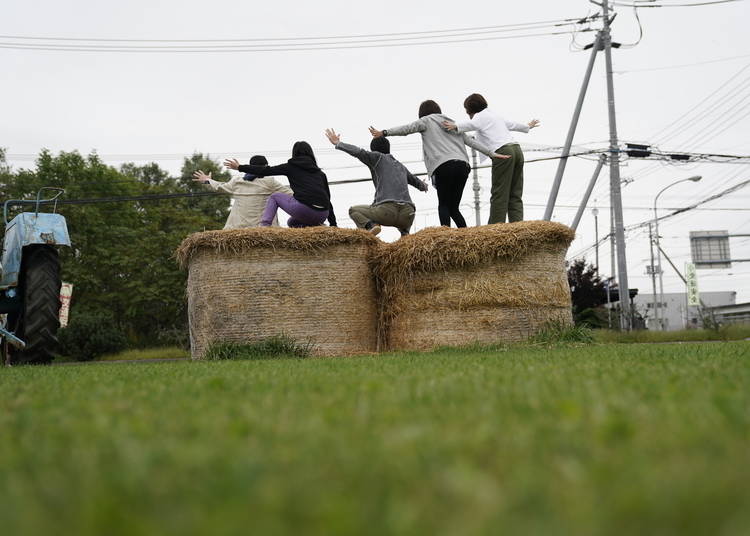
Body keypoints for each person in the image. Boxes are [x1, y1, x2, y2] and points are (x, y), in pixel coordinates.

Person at [369, 99, 509, 228]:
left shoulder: (426, 120)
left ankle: (445, 237)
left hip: (444, 166)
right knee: (454, 208)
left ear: (422, 113)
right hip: (462, 166)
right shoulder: (452, 123)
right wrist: (492, 153)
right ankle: (467, 236)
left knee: (443, 204)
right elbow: (471, 142)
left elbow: (407, 129)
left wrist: (385, 133)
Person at [442, 93, 540, 224]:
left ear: (470, 110)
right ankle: (517, 225)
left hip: (503, 152)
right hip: (517, 150)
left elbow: (471, 124)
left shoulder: (480, 116)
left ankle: (495, 227)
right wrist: (527, 126)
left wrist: (456, 126)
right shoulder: (495, 116)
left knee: (499, 193)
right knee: (515, 192)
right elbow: (513, 124)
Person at [324, 128, 428, 236]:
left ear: (373, 150)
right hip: (408, 214)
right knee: (404, 225)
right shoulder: (400, 166)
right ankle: (405, 234)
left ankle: (371, 226)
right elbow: (416, 182)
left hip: (387, 211)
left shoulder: (377, 157)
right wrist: (424, 186)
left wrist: (338, 143)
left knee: (353, 210)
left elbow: (358, 152)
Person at [224, 141, 336, 228]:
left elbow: (265, 170)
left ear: (294, 154)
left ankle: (264, 227)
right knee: (292, 222)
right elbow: (328, 200)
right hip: (322, 214)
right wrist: (333, 225)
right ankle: (316, 230)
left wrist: (240, 167)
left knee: (275, 196)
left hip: (304, 210)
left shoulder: (290, 166)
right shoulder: (320, 173)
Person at [192, 155, 292, 228]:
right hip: (264, 230)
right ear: (266, 167)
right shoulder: (270, 182)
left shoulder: (237, 182)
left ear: (250, 166)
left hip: (238, 228)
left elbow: (219, 187)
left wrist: (207, 181)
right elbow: (291, 195)